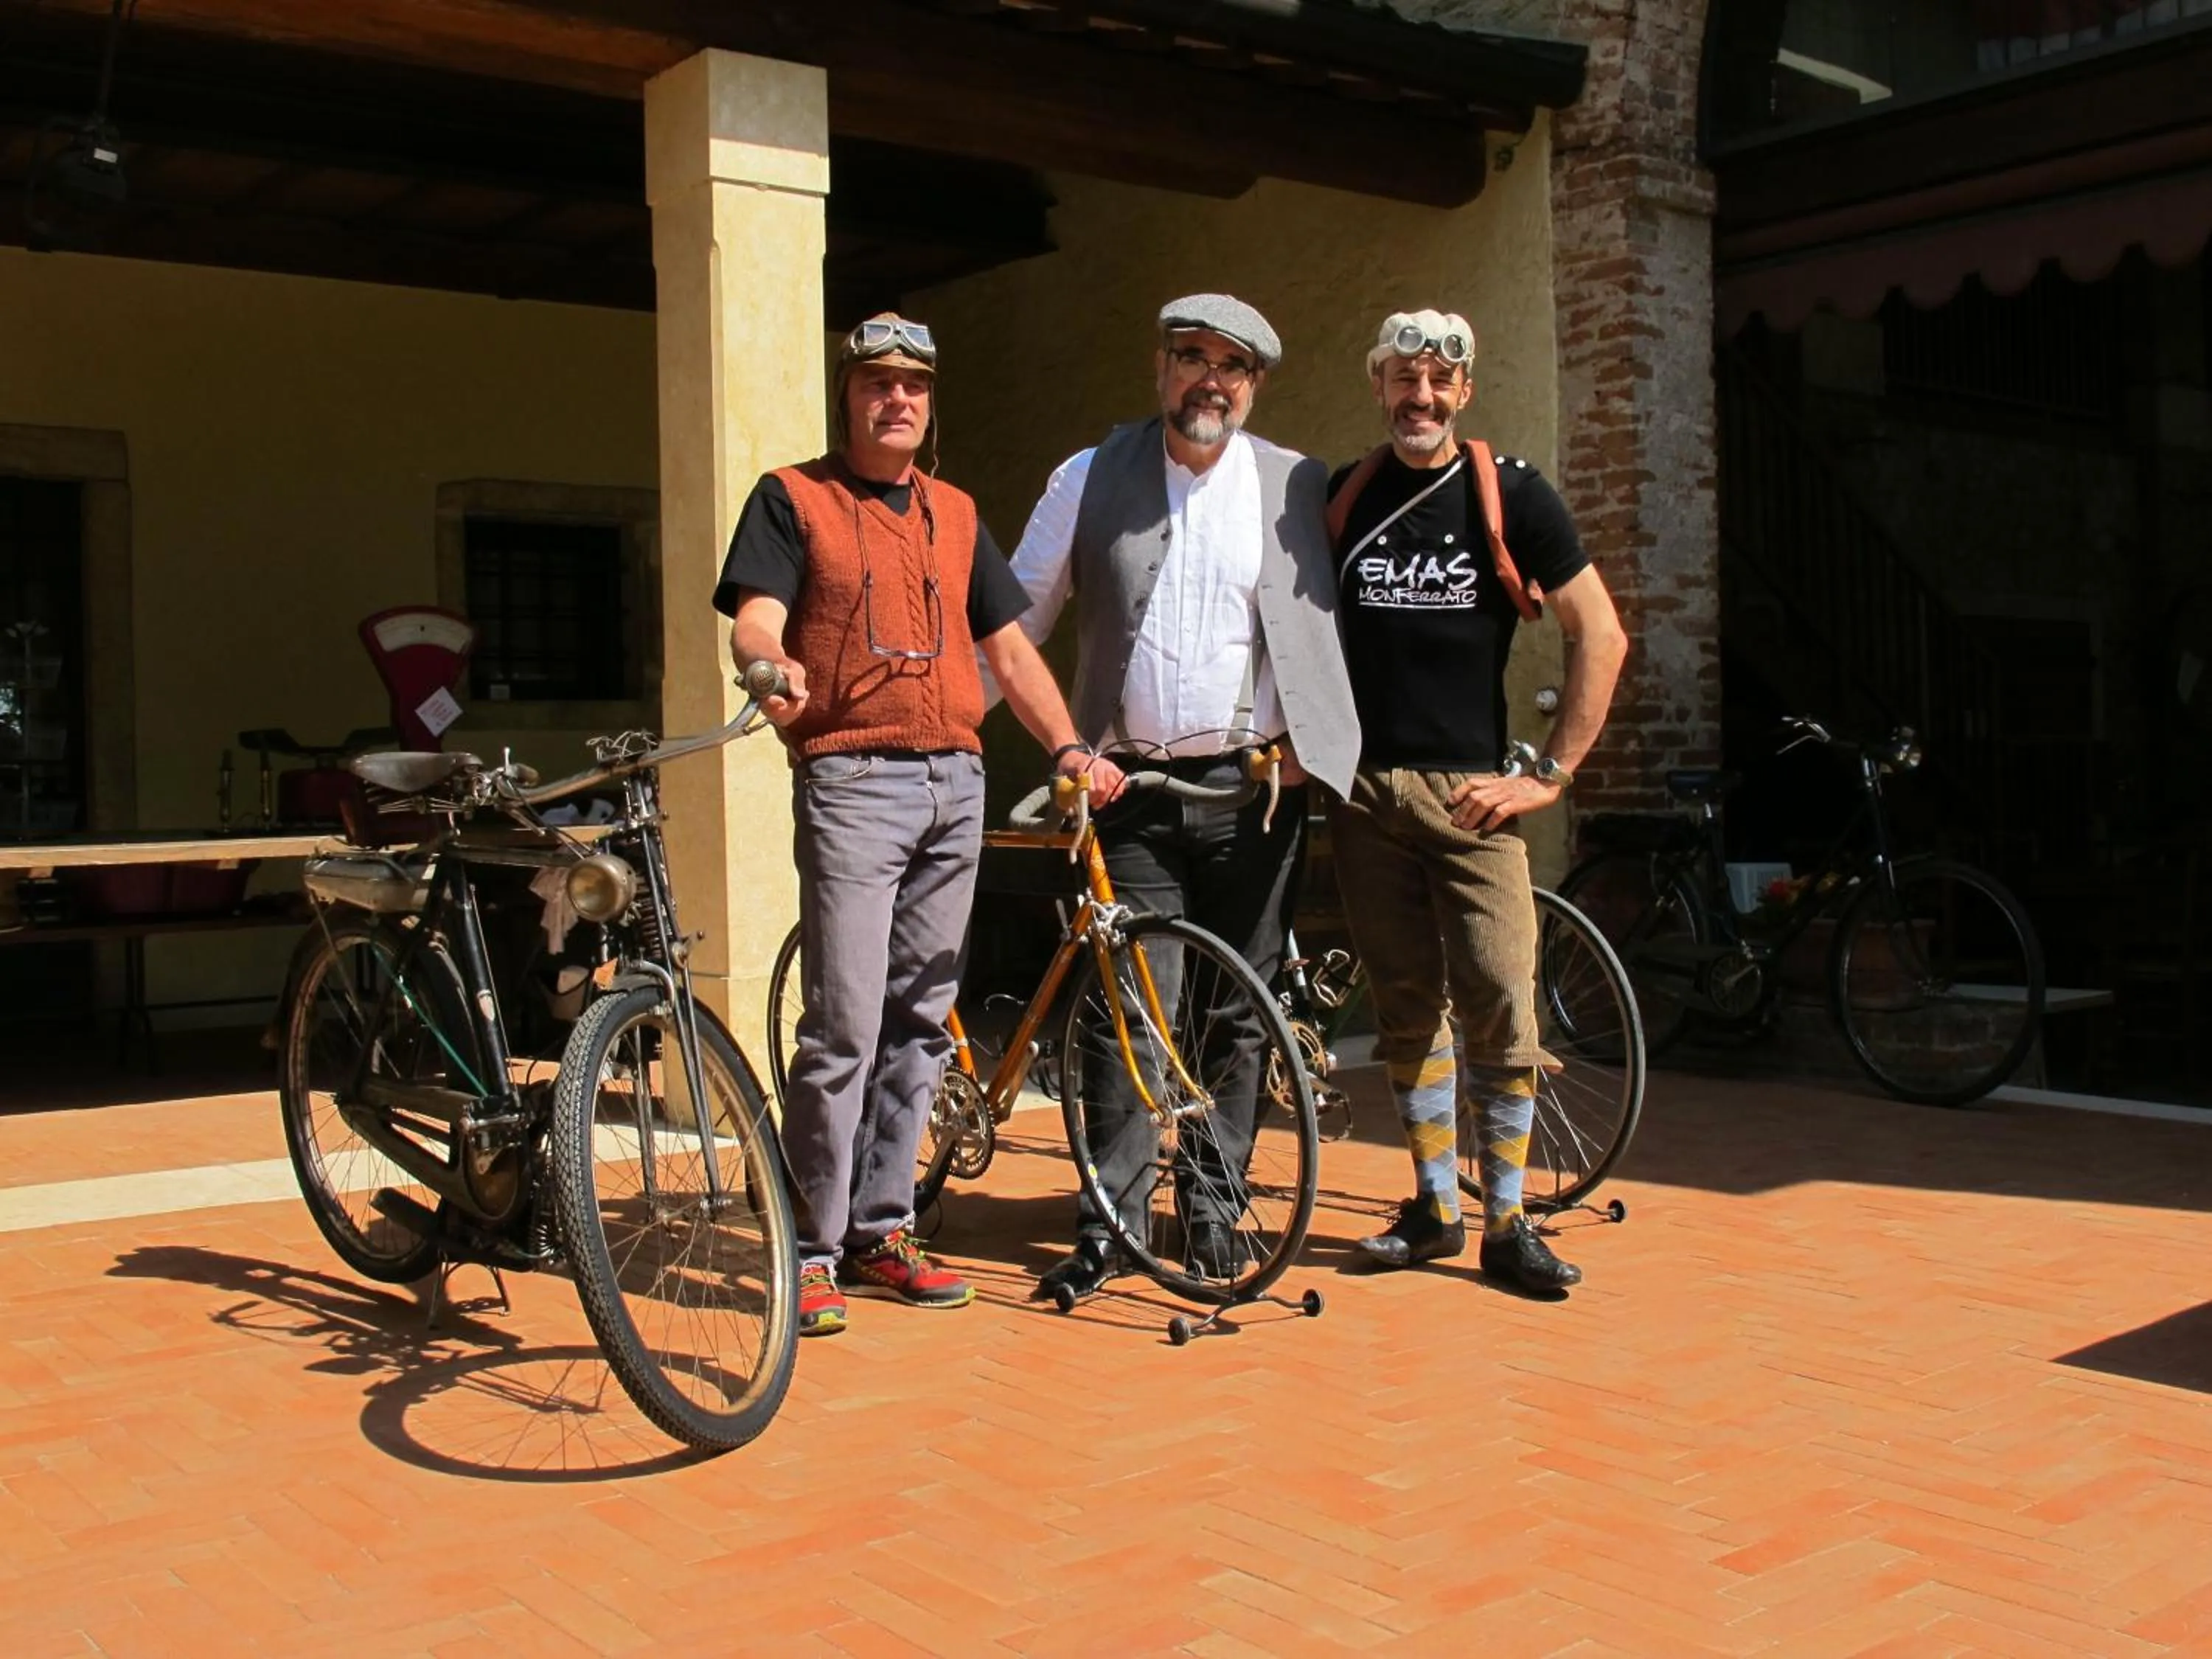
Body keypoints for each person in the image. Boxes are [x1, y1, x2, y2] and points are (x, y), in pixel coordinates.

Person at [715, 313, 1125, 1338]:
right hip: (853, 776)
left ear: (930, 404)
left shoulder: (953, 511)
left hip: (956, 781)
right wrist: (766, 665)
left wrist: (1070, 745)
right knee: (844, 1023)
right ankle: (808, 1247)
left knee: (919, 1020)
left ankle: (882, 1228)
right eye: (876, 382)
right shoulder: (792, 497)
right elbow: (754, 615)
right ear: (848, 393)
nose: (896, 399)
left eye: (914, 386)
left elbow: (1013, 649)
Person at [1004, 293, 1360, 1301]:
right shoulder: (1088, 474)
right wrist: (959, 723)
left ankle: (1210, 1209)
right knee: (1133, 1010)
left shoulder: (1294, 484)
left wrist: (1305, 743)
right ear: (1160, 368)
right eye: (1191, 356)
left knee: (1239, 1011)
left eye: (1234, 365)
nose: (1211, 378)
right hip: (1129, 788)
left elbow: (1318, 626)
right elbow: (1020, 613)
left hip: (1253, 789)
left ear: (1255, 384)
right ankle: (1111, 1222)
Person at [1326, 308, 1627, 1295]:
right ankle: (1433, 1206)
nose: (1421, 397)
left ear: (1464, 392)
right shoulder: (1346, 497)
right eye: (1403, 379)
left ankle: (1507, 1219)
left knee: (1502, 1001)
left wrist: (1550, 775)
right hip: (1366, 792)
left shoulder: (1513, 495)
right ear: (1379, 386)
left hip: (1474, 798)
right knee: (1406, 1006)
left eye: (1438, 383)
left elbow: (1602, 633)